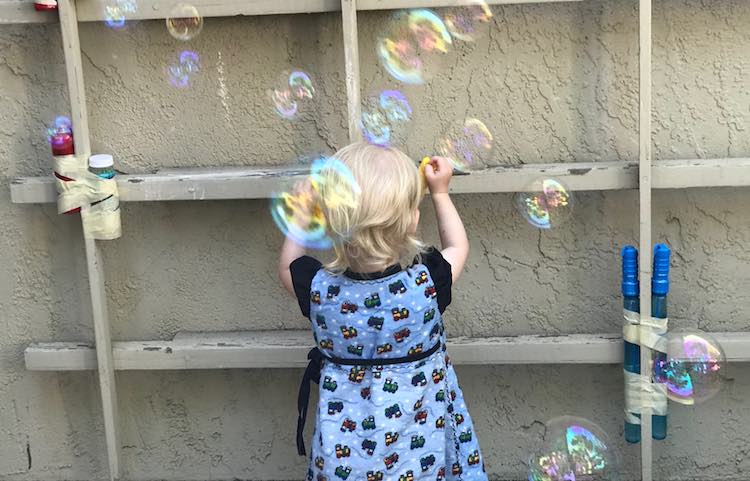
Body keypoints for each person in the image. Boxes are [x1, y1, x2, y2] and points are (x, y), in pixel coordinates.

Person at [279, 142, 486, 481]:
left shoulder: (320, 290)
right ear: (411, 222)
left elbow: (288, 267)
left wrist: (302, 213)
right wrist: (440, 192)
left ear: (330, 221)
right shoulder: (427, 284)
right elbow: (457, 246)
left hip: (347, 450)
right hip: (424, 449)